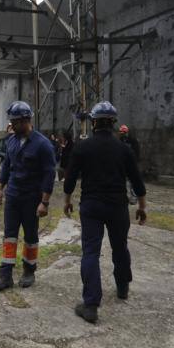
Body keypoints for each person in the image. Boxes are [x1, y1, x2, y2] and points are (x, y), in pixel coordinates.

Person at [63, 101, 146, 324]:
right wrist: (141, 206)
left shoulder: (82, 147)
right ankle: (122, 287)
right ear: (114, 123)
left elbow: (70, 178)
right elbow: (137, 181)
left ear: (93, 122)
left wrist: (68, 201)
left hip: (91, 206)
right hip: (118, 206)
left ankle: (90, 305)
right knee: (120, 247)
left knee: (91, 252)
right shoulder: (124, 149)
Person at [0, 101, 55, 291]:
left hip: (31, 198)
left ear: (26, 120)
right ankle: (5, 275)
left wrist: (45, 202)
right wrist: (0, 189)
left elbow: (49, 174)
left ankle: (29, 271)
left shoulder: (43, 145)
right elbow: (6, 167)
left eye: (15, 122)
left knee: (30, 236)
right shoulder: (11, 141)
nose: (12, 125)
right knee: (9, 236)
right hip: (13, 196)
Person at [118, 125, 141, 204]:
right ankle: (123, 196)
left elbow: (137, 152)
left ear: (127, 132)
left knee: (132, 181)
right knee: (122, 180)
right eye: (121, 133)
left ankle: (134, 197)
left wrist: (134, 162)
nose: (122, 134)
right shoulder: (119, 141)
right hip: (122, 164)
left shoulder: (133, 141)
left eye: (124, 133)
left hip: (131, 163)